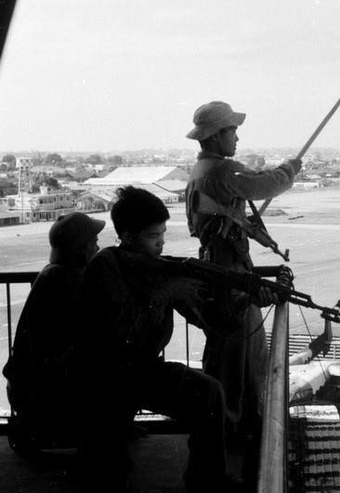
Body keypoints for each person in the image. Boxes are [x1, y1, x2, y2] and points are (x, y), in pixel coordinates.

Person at [73, 186, 233, 493]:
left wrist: (242, 301)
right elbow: (122, 330)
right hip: (101, 376)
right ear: (128, 238)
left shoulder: (156, 269)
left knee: (209, 393)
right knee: (107, 473)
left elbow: (206, 319)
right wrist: (165, 292)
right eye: (152, 237)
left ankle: (207, 481)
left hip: (139, 371)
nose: (160, 244)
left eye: (163, 235)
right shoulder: (105, 266)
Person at [184, 101, 301, 444]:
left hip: (222, 271)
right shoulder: (219, 172)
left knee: (233, 359)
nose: (237, 136)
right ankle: (233, 435)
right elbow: (265, 185)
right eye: (232, 130)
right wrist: (290, 169)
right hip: (228, 275)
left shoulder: (204, 171)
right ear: (216, 136)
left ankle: (234, 428)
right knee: (238, 361)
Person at [2, 212, 104, 450]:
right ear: (81, 249)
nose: (98, 247)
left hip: (29, 389)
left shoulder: (54, 273)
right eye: (93, 243)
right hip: (41, 393)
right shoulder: (68, 280)